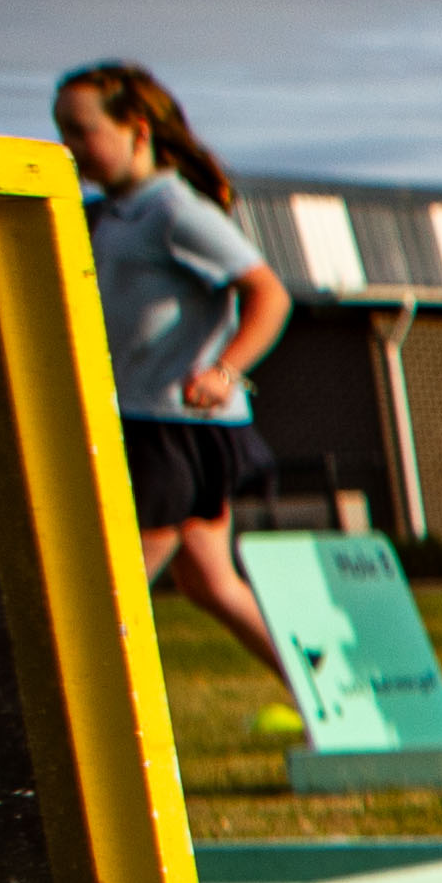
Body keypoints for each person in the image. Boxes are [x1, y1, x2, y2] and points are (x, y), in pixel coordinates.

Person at [54, 63, 293, 669]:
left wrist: (224, 372)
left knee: (113, 591)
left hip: (179, 430)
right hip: (142, 420)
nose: (71, 149)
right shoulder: (108, 215)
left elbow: (269, 294)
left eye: (82, 132)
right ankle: (331, 705)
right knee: (209, 585)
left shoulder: (175, 212)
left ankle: (79, 721)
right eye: (62, 132)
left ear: (137, 130)